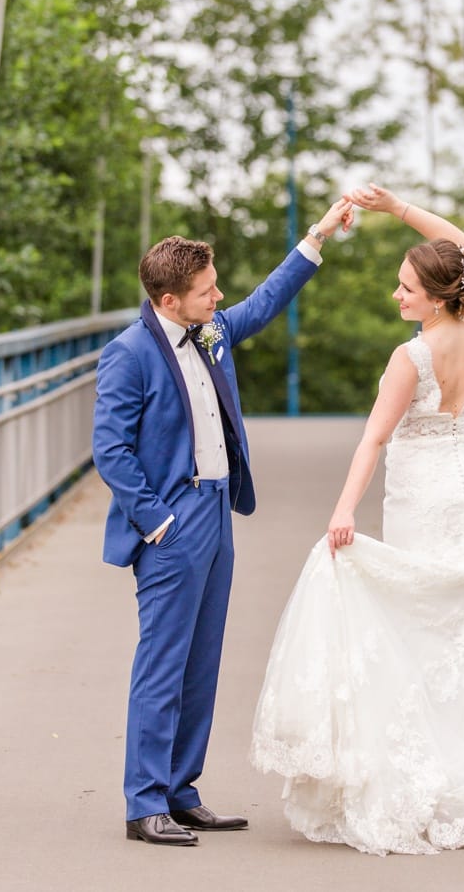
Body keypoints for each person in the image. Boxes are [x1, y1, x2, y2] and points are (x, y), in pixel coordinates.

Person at [250, 185, 464, 855]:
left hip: (426, 500)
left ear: (436, 298)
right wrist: (401, 209)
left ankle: (423, 771)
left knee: (415, 629)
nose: (396, 295)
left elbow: (373, 440)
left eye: (406, 288)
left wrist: (344, 509)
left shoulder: (410, 358)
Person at [94, 198, 354, 846]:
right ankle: (143, 803)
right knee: (162, 662)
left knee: (201, 661)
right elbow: (111, 450)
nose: (220, 297)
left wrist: (318, 237)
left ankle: (181, 791)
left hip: (218, 510)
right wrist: (157, 522)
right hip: (172, 524)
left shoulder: (210, 330)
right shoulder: (128, 355)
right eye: (207, 291)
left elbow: (265, 301)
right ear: (168, 297)